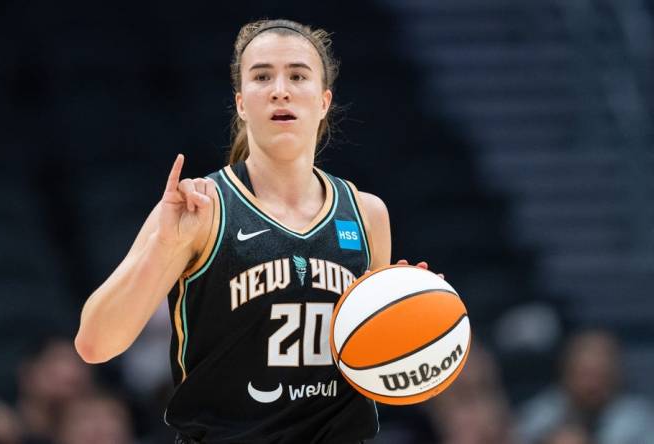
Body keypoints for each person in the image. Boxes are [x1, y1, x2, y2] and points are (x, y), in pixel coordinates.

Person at [75, 18, 438, 443]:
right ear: (242, 102)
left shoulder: (366, 213)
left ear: (324, 101)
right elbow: (94, 344)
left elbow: (371, 364)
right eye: (262, 75)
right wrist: (163, 246)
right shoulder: (200, 207)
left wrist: (414, 315)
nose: (280, 89)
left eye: (297, 75)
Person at [517, 329, 654, 444]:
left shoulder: (640, 420)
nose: (592, 385)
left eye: (601, 376)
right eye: (585, 374)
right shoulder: (538, 417)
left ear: (617, 376)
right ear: (566, 374)